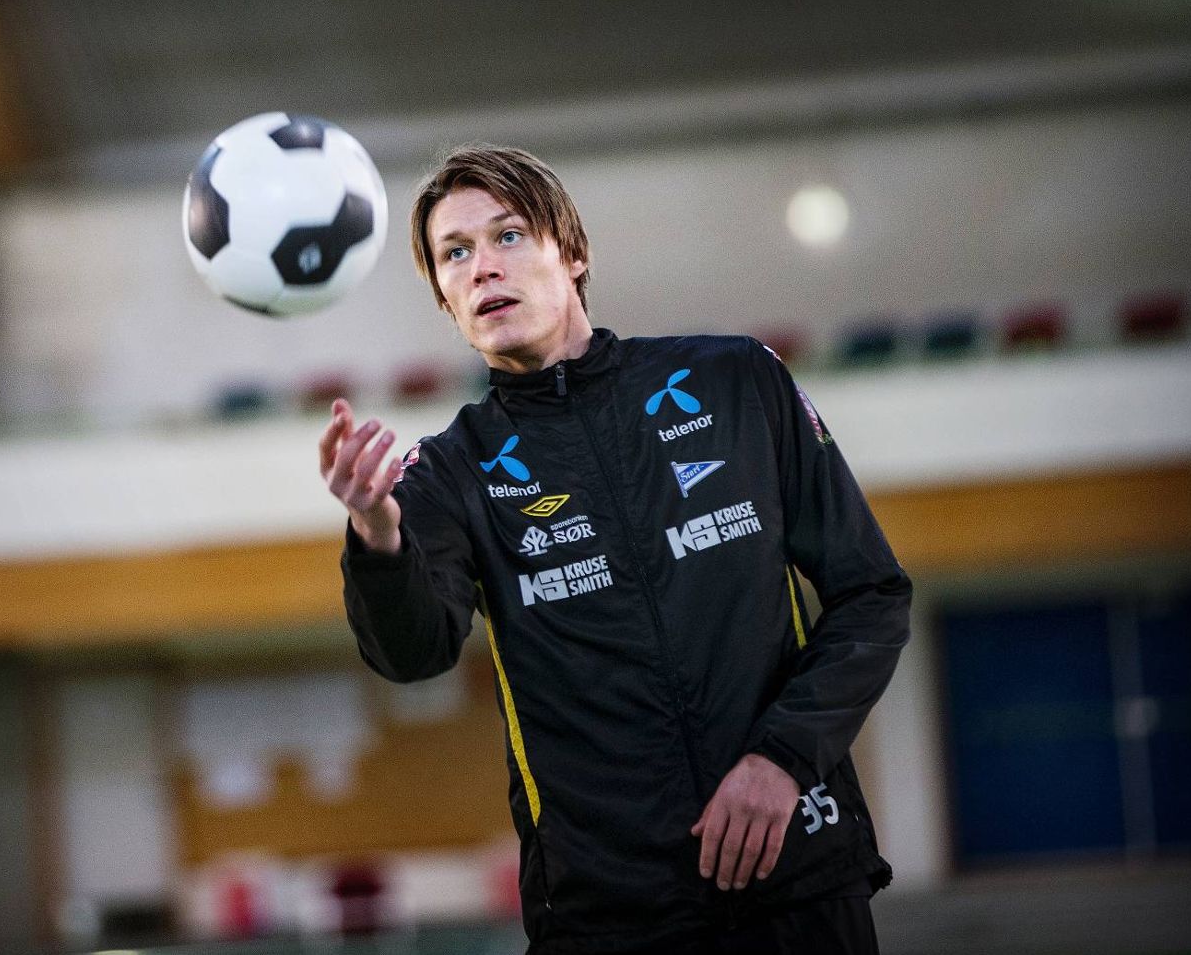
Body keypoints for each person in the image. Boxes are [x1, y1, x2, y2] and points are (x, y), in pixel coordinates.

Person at [318, 145, 911, 954]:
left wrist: (783, 759)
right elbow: (411, 654)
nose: (482, 267)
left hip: (798, 884)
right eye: (454, 254)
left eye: (508, 236)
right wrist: (376, 534)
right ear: (445, 299)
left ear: (572, 252)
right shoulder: (449, 474)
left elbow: (870, 595)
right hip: (606, 918)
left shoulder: (735, 382)